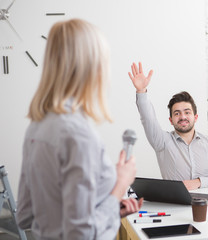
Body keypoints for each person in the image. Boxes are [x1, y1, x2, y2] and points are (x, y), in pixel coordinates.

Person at [16, 19, 142, 240]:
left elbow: (25, 215)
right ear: (92, 66)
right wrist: (120, 184)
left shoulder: (36, 126)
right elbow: (80, 235)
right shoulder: (80, 135)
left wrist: (110, 207)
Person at [128, 62, 208, 190]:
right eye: (177, 113)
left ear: (195, 117)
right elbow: (148, 119)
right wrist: (141, 91)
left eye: (187, 112)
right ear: (171, 120)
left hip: (206, 204)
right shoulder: (162, 142)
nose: (182, 117)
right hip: (176, 205)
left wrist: (198, 182)